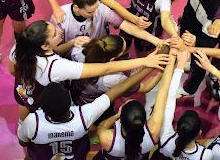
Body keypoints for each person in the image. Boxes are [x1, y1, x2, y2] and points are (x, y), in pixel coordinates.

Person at [8, 20, 169, 121]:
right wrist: (146, 61)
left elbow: (12, 70)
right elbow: (107, 67)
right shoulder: (55, 67)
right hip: (43, 100)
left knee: (24, 104)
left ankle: (22, 124)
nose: (60, 31)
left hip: (23, 89)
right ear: (44, 45)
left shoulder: (22, 45)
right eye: (55, 33)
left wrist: (71, 43)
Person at [17, 59, 158, 160]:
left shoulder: (33, 123)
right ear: (69, 104)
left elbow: (23, 142)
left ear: (43, 108)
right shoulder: (83, 117)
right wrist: (149, 64)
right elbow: (119, 88)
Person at [95, 48, 177, 159]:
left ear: (121, 120)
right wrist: (171, 58)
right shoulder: (154, 131)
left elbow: (101, 126)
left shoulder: (107, 138)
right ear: (144, 121)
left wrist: (115, 115)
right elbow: (164, 90)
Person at [70, 35, 168, 125]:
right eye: (123, 51)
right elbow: (145, 87)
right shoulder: (112, 79)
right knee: (100, 121)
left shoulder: (79, 49)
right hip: (91, 106)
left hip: (74, 92)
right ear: (113, 58)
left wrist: (146, 60)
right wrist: (162, 70)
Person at [54, 0, 165, 55]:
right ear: (77, 8)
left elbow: (127, 26)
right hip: (71, 58)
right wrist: (73, 42)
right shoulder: (61, 17)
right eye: (89, 12)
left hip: (99, 53)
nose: (95, 14)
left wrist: (156, 40)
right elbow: (56, 51)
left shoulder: (100, 9)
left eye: (96, 9)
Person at [150, 49, 214, 160]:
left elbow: (169, 100)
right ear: (200, 133)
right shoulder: (205, 155)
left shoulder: (166, 140)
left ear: (177, 126)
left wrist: (180, 65)